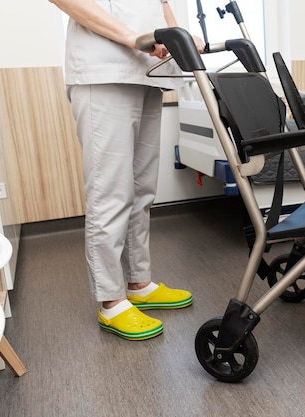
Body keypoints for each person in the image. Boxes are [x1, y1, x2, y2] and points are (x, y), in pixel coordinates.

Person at [49, 0, 205, 341]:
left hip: (147, 73)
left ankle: (139, 282)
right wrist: (134, 37)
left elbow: (160, 4)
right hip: (103, 70)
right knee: (111, 193)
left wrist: (176, 37)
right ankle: (111, 300)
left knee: (142, 189)